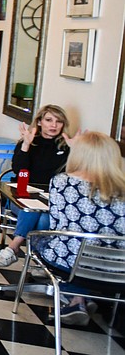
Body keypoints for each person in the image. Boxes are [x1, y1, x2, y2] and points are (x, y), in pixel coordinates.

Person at [31, 131, 125, 324]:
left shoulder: (62, 182)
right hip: (116, 268)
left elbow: (56, 224)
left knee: (39, 238)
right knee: (83, 249)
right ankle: (80, 298)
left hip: (69, 262)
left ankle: (76, 299)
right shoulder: (122, 189)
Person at [0, 104, 71, 267]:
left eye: (59, 122)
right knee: (33, 211)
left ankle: (16, 249)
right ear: (40, 122)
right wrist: (26, 145)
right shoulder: (28, 141)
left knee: (44, 219)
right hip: (22, 196)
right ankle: (37, 260)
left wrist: (76, 152)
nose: (53, 125)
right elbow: (18, 169)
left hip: (52, 201)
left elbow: (70, 176)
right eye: (49, 120)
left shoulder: (66, 147)